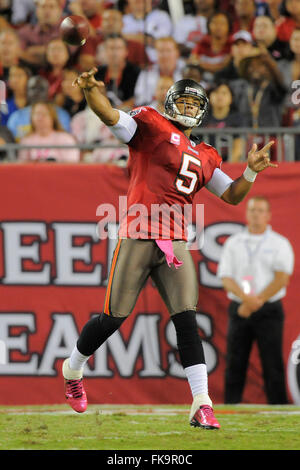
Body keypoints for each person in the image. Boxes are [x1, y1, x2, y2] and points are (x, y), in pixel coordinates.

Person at [61, 66, 276, 430]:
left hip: (176, 239)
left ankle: (202, 403)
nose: (190, 109)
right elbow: (110, 115)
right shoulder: (151, 126)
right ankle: (72, 367)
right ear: (171, 103)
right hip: (139, 232)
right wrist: (90, 91)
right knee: (113, 317)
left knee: (186, 319)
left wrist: (251, 172)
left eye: (196, 104)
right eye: (185, 101)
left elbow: (232, 194)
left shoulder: (206, 153)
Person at [217, 195, 294, 404]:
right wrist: (245, 300)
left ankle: (279, 410)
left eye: (260, 210)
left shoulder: (279, 243)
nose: (256, 214)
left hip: (268, 309)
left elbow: (282, 278)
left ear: (268, 215)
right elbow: (226, 276)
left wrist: (256, 301)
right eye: (252, 210)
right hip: (240, 307)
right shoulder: (234, 243)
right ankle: (231, 408)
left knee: (272, 364)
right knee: (235, 362)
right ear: (246, 213)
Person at [7, 75, 71, 141]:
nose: (37, 92)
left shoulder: (61, 115)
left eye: (41, 89)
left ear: (48, 92)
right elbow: (10, 144)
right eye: (33, 88)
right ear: (27, 91)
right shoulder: (16, 117)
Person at [94, 33, 141, 111]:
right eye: (111, 48)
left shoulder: (136, 72)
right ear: (105, 51)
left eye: (118, 48)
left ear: (126, 52)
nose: (114, 53)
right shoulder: (97, 72)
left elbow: (138, 99)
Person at [134, 37, 184, 106]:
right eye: (161, 51)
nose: (165, 55)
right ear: (155, 53)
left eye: (168, 50)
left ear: (177, 53)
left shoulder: (186, 72)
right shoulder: (146, 73)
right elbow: (139, 100)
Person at [202, 82, 245, 162]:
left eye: (224, 93)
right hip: (206, 164)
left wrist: (226, 168)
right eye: (216, 92)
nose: (220, 96)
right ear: (209, 97)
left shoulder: (238, 119)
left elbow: (238, 147)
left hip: (230, 165)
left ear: (231, 97)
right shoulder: (202, 118)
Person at [189, 11, 233, 82]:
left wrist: (201, 64)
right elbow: (192, 60)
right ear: (208, 25)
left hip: (226, 80)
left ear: (229, 26)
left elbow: (223, 66)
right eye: (215, 23)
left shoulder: (231, 44)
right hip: (203, 80)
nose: (218, 26)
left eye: (222, 23)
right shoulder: (202, 43)